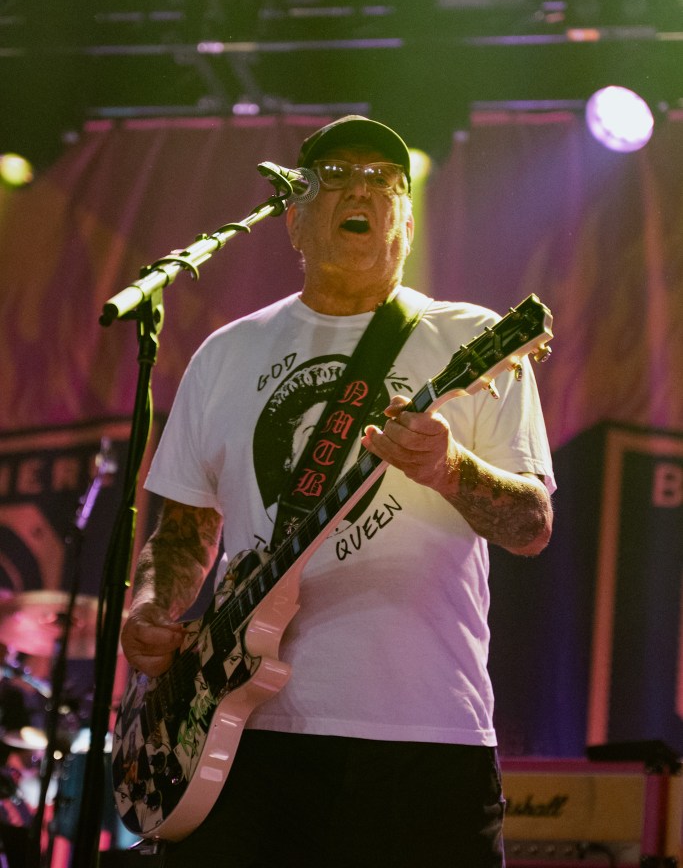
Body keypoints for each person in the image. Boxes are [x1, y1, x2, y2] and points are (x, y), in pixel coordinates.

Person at [120, 115, 555, 867]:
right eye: (335, 177)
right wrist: (151, 606)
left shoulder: (470, 339)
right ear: (292, 220)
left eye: (383, 180)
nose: (360, 190)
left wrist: (447, 468)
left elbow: (530, 525)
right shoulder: (227, 352)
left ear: (407, 224)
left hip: (421, 736)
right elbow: (183, 530)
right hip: (235, 737)